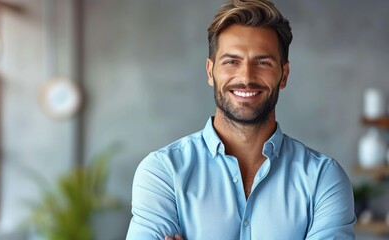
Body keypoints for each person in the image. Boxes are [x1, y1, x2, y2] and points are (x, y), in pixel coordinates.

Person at [126, 0, 356, 239]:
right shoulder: (163, 173)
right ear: (210, 72)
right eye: (231, 61)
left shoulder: (323, 179)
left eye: (263, 62)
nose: (246, 77)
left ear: (284, 75)